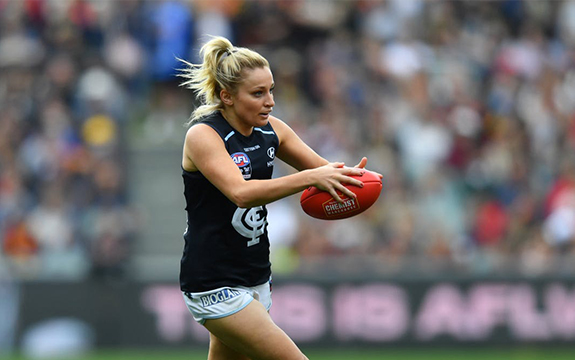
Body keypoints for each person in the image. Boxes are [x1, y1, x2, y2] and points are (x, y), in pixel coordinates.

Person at [178, 36, 376, 360]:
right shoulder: (204, 135)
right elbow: (241, 194)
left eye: (271, 90)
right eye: (258, 93)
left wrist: (357, 179)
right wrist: (310, 178)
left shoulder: (273, 130)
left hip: (255, 275)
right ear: (226, 96)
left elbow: (326, 171)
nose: (269, 101)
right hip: (214, 281)